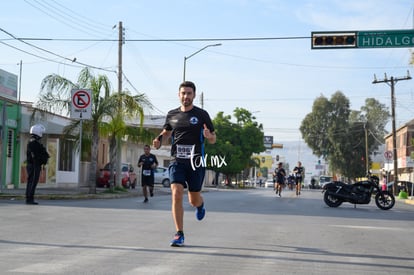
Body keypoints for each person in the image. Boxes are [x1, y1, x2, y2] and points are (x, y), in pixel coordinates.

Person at [152, 81, 216, 247]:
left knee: (193, 199)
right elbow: (166, 132)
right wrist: (159, 140)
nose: (186, 96)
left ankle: (200, 205)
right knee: (176, 192)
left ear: (194, 95)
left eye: (189, 93)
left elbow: (213, 139)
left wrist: (209, 136)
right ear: (178, 95)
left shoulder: (202, 115)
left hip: (196, 163)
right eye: (183, 93)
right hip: (177, 161)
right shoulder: (172, 114)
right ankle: (179, 234)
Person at [25, 124, 49, 205]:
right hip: (34, 165)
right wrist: (42, 159)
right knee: (32, 182)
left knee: (31, 182)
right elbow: (37, 155)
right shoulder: (33, 143)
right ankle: (29, 199)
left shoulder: (32, 142)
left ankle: (29, 198)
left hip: (32, 165)